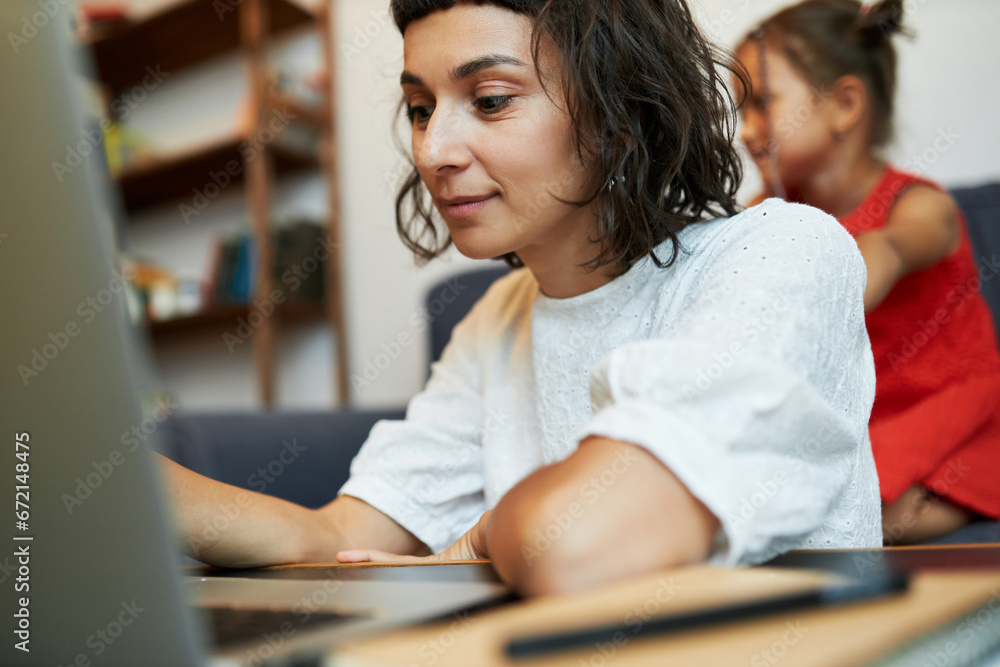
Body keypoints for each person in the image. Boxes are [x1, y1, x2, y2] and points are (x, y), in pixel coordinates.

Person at [160, 0, 882, 597]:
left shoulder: (784, 252)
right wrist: (91, 473)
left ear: (618, 114)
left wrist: (486, 530)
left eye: (491, 100)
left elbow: (579, 543)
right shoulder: (494, 322)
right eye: (419, 107)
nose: (434, 148)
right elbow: (340, 538)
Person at [736, 0, 1000, 545]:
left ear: (844, 105)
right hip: (855, 423)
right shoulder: (766, 211)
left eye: (762, 104)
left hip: (947, 415)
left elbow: (893, 248)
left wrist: (852, 266)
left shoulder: (919, 205)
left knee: (880, 513)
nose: (745, 130)